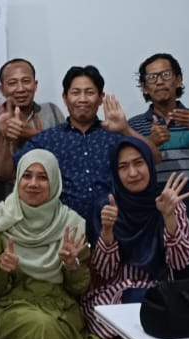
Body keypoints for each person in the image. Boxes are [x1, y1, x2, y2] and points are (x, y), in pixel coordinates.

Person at [0, 150, 101, 339]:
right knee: (42, 326)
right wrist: (2, 269)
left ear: (54, 182)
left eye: (43, 177)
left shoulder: (72, 224)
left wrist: (71, 265)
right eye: (27, 176)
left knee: (48, 327)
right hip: (9, 308)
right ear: (17, 180)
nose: (33, 184)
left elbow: (79, 288)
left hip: (60, 307)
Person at [11, 65, 155, 225]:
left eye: (90, 92)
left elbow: (154, 158)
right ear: (65, 97)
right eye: (75, 92)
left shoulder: (116, 135)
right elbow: (9, 172)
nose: (82, 99)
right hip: (65, 230)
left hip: (114, 226)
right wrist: (5, 138)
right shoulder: (47, 139)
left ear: (101, 98)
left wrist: (125, 129)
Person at [83, 140, 189, 339]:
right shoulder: (106, 207)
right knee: (139, 309)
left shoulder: (169, 203)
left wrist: (169, 218)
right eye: (123, 167)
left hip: (159, 291)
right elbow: (104, 272)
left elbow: (180, 263)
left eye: (138, 163)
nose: (133, 173)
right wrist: (108, 230)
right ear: (115, 172)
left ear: (150, 164)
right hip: (110, 296)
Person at [127, 53, 189, 278]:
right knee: (150, 291)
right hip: (149, 225)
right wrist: (150, 143)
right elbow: (130, 173)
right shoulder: (133, 126)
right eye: (152, 78)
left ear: (178, 80)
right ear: (144, 88)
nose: (159, 82)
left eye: (165, 75)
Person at [0, 58, 66, 207]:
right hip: (6, 202)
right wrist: (1, 137)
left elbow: (67, 156)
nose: (20, 89)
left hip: (49, 202)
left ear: (35, 85)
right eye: (12, 83)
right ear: (1, 89)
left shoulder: (52, 111)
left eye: (26, 81)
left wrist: (35, 136)